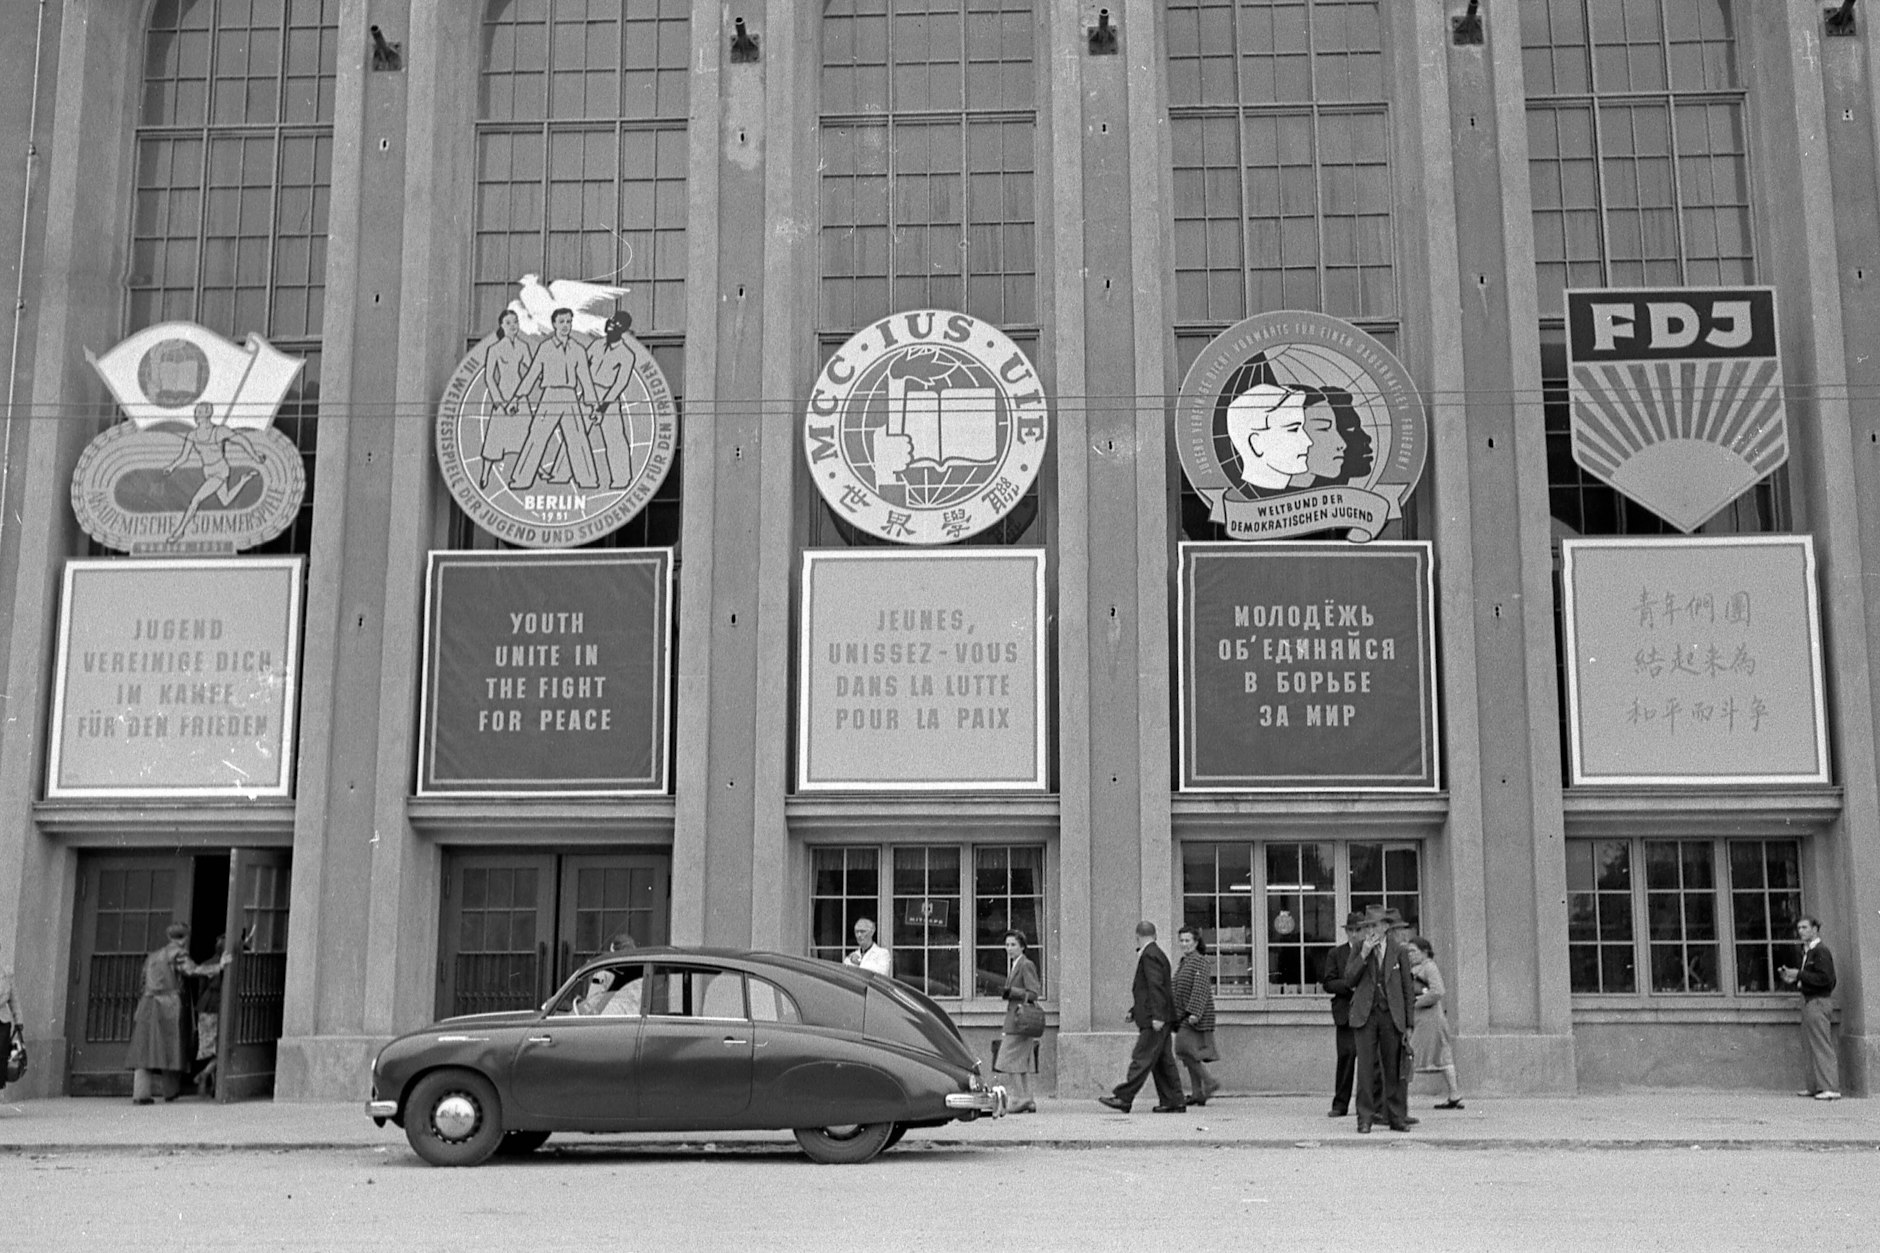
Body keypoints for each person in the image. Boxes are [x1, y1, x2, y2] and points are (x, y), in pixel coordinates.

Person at [126, 923, 229, 1105]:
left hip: (148, 1002)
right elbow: (193, 970)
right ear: (185, 938)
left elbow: (142, 982)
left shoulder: (153, 956)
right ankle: (170, 1091)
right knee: (171, 1047)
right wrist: (218, 967)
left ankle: (140, 1094)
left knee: (145, 1049)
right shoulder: (178, 953)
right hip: (169, 1005)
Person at [1098, 921, 1186, 1113]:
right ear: (1154, 935)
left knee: (1142, 1057)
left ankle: (1124, 1097)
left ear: (1137, 936)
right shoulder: (1158, 954)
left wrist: (1157, 1016)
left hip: (1155, 1019)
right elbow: (1152, 989)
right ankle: (1174, 1100)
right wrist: (1134, 1010)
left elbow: (1155, 988)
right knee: (1163, 1061)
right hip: (1158, 1016)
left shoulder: (1149, 956)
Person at [1343, 905, 1416, 1133]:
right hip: (1365, 1015)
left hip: (1391, 1015)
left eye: (1374, 926)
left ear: (1385, 927)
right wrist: (1364, 953)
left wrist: (1409, 1023)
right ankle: (1364, 1118)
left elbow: (1407, 988)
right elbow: (1349, 980)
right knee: (1365, 1070)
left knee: (1392, 1069)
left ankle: (1396, 1117)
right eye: (1367, 927)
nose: (1370, 931)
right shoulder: (1358, 948)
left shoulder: (1399, 951)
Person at [511, 307, 601, 491]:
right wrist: (518, 397)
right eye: (561, 322)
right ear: (554, 324)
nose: (565, 326)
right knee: (537, 436)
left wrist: (593, 406)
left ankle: (588, 480)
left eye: (568, 322)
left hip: (569, 396)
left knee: (577, 438)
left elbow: (585, 379)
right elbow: (532, 374)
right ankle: (521, 479)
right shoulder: (546, 348)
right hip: (550, 395)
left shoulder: (578, 349)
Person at [1778, 916, 1841, 1100]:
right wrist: (1795, 978)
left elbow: (1826, 979)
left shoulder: (1821, 952)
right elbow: (1813, 978)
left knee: (1821, 1044)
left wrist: (1799, 974)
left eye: (1805, 927)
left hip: (1817, 1001)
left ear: (1815, 929)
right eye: (1799, 928)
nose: (1801, 931)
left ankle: (1830, 1087)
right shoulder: (1808, 952)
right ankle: (1815, 1086)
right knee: (1810, 1044)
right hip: (1809, 999)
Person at [478, 308, 536, 488]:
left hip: (519, 394)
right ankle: (485, 473)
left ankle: (536, 467)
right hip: (502, 394)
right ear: (502, 326)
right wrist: (499, 401)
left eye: (515, 322)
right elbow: (489, 377)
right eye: (508, 323)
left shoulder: (523, 346)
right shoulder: (494, 349)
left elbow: (531, 370)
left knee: (528, 432)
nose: (513, 326)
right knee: (495, 438)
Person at [1405, 936, 1463, 1110]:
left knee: (1416, 1055)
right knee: (1441, 1056)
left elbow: (1438, 991)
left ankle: (1454, 1094)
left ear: (1425, 952)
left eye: (1413, 951)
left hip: (1431, 1019)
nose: (1410, 955)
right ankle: (1454, 1094)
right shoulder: (1419, 968)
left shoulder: (1429, 967)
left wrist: (1414, 1002)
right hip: (1424, 1019)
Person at [586, 311, 641, 488]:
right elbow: (582, 367)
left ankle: (621, 479)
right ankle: (560, 473)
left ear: (623, 329)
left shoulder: (626, 354)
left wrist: (602, 407)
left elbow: (620, 384)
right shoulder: (596, 344)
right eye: (612, 320)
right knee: (575, 434)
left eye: (617, 323)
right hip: (588, 392)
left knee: (615, 439)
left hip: (609, 397)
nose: (611, 324)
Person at [1319, 910, 1365, 1118]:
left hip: (1366, 1012)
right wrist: (1349, 986)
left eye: (1359, 930)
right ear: (1346, 932)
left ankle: (1367, 1105)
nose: (1355, 935)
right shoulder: (1336, 954)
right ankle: (1340, 1104)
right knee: (1346, 1057)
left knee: (1368, 1060)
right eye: (1351, 931)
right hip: (1345, 1012)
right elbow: (1328, 982)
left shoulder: (1370, 952)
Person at [994, 928, 1042, 1114]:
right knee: (1020, 1062)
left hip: (1020, 1020)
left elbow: (1034, 992)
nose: (1009, 948)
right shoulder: (1017, 964)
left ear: (1022, 946)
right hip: (1019, 1020)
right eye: (1007, 945)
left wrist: (1012, 992)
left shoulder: (1025, 965)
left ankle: (1019, 1098)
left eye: (1013, 945)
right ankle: (1028, 1099)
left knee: (1008, 1059)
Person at [1172, 925, 1220, 1106]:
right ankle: (1197, 1093)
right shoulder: (1184, 962)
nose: (1184, 944)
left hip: (1195, 1016)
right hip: (1184, 1015)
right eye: (1182, 941)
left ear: (1196, 942)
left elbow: (1200, 989)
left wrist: (1194, 1013)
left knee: (1183, 1049)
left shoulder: (1199, 961)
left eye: (1188, 941)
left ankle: (1210, 1082)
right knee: (1189, 1054)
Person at [190, 934, 228, 1099]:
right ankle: (205, 1075)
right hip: (220, 1005)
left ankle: (209, 1081)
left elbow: (201, 988)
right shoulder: (229, 965)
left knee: (211, 1048)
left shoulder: (207, 964)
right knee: (222, 1047)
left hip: (205, 1005)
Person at [1, 956, 20, 1099]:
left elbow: (14, 999)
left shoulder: (6, 973)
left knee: (1, 1058)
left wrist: (19, 1020)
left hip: (3, 1021)